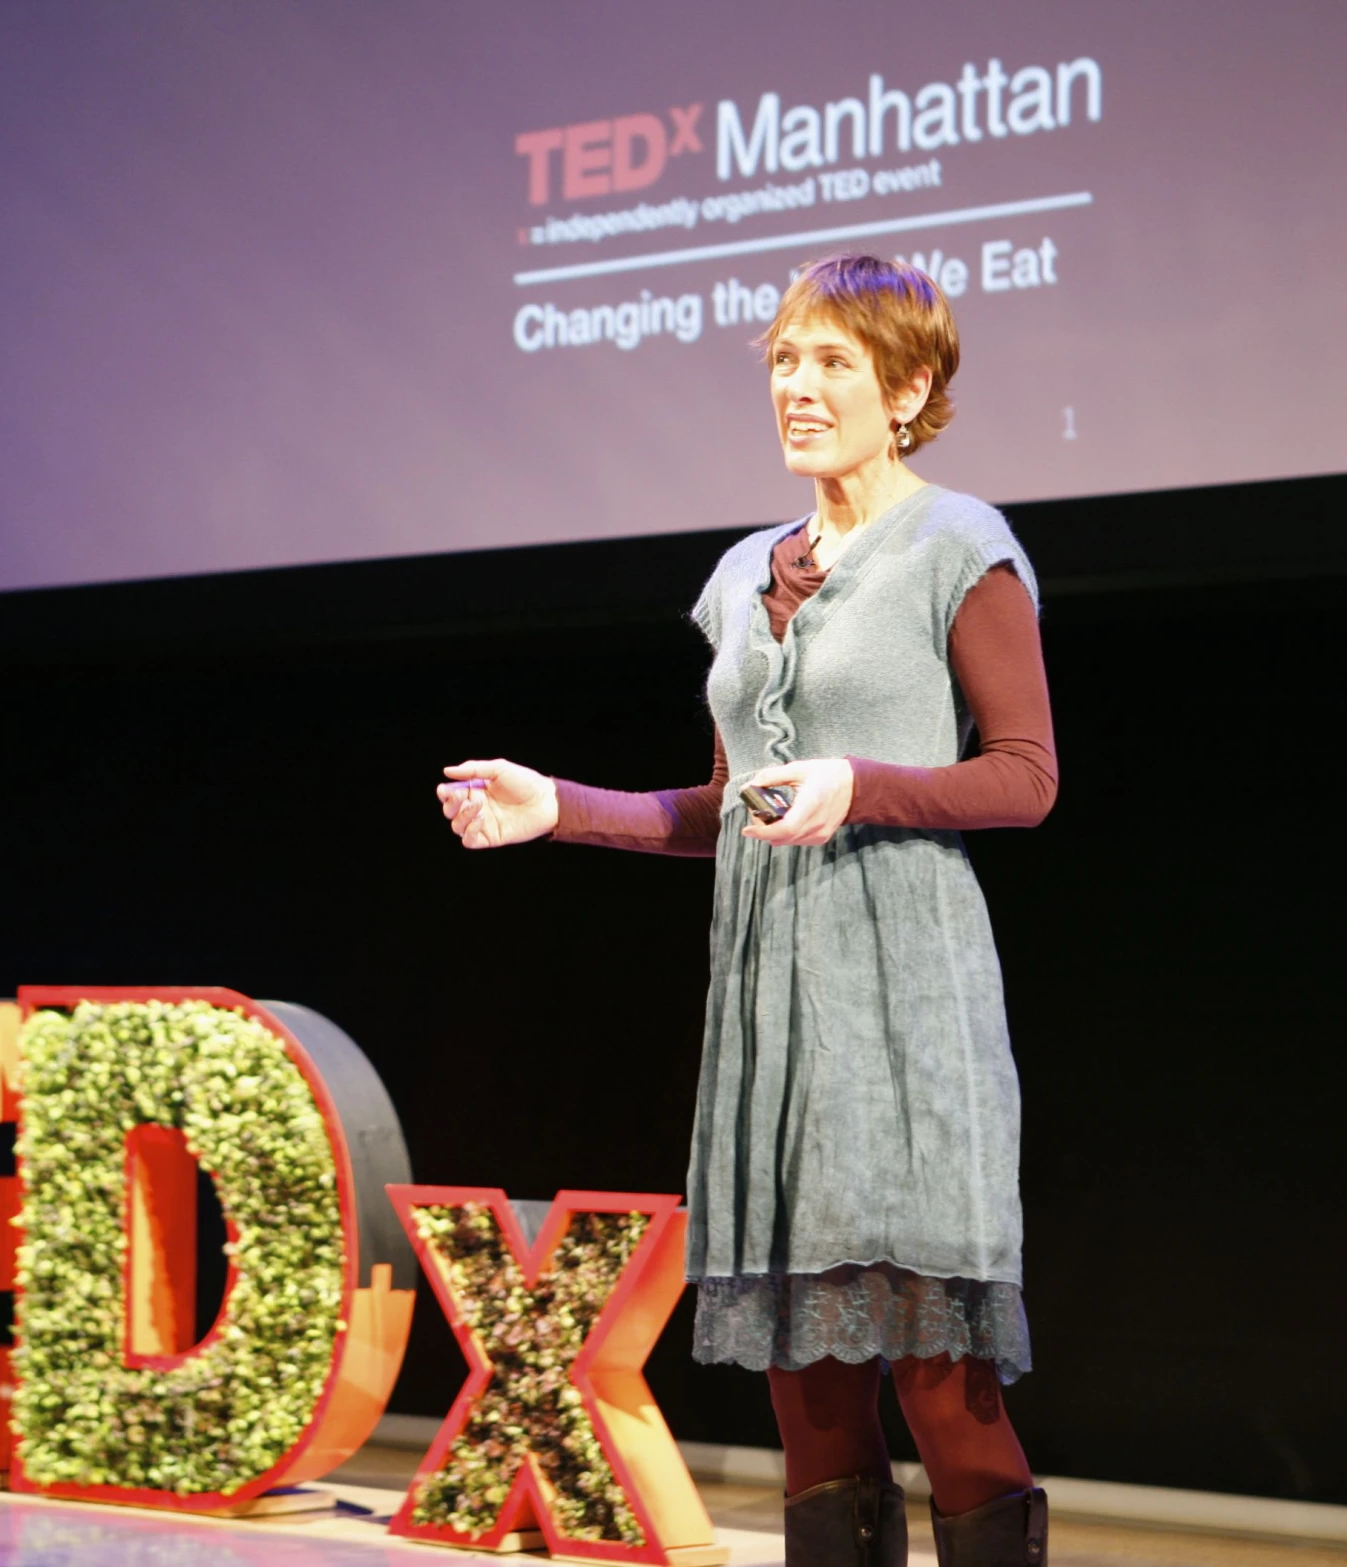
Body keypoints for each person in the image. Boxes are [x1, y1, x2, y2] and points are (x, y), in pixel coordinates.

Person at [436, 254, 1056, 1567]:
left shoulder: (959, 547)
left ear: (910, 388)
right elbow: (730, 807)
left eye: (833, 360)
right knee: (807, 1390)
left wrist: (860, 783)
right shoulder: (736, 578)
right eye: (783, 357)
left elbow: (1024, 778)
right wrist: (560, 804)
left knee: (940, 1379)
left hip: (908, 1013)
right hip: (771, 1025)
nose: (798, 385)